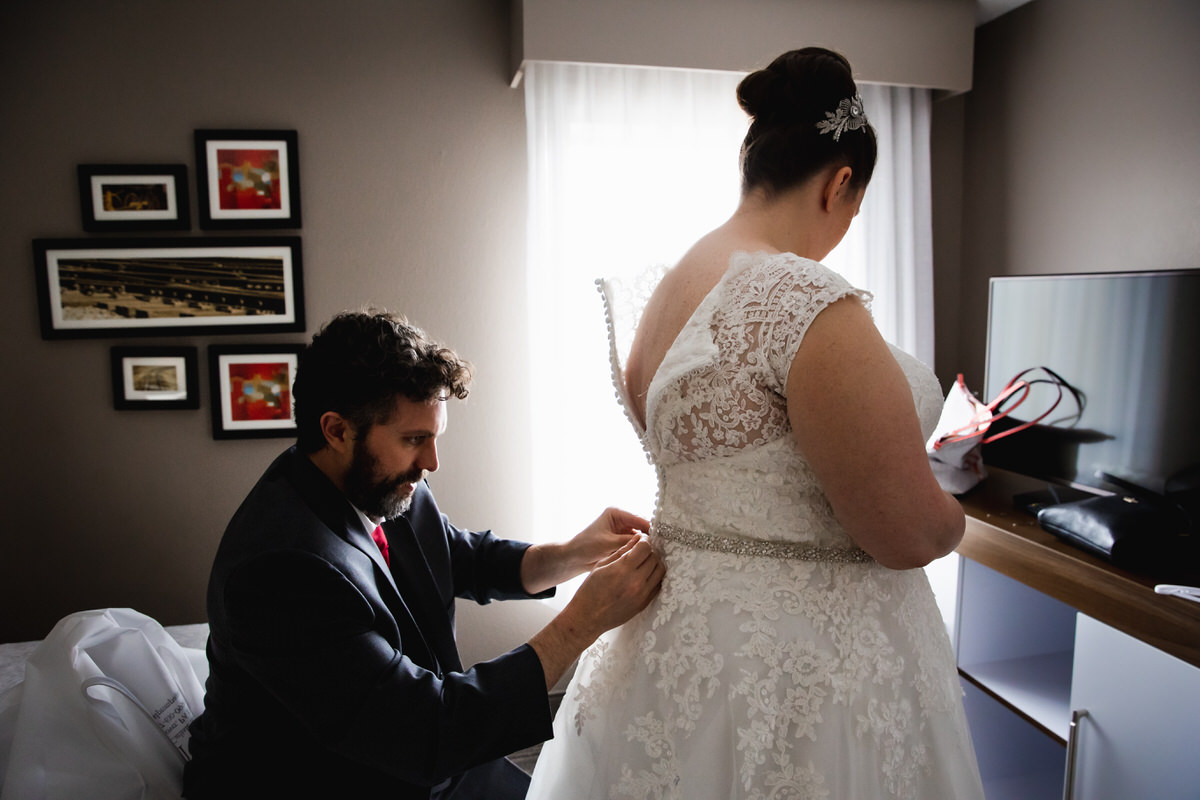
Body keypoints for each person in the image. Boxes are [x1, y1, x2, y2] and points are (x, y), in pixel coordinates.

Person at [527, 48, 985, 799]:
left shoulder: (675, 287)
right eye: (856, 207)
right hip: (805, 668)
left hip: (679, 649)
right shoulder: (800, 297)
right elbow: (905, 536)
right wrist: (956, 515)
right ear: (839, 184)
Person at [181, 311, 665, 800]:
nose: (431, 462)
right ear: (336, 430)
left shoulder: (374, 480)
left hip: (431, 753)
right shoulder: (279, 573)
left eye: (434, 436)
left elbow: (459, 557)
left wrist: (572, 554)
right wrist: (582, 622)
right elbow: (424, 731)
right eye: (414, 440)